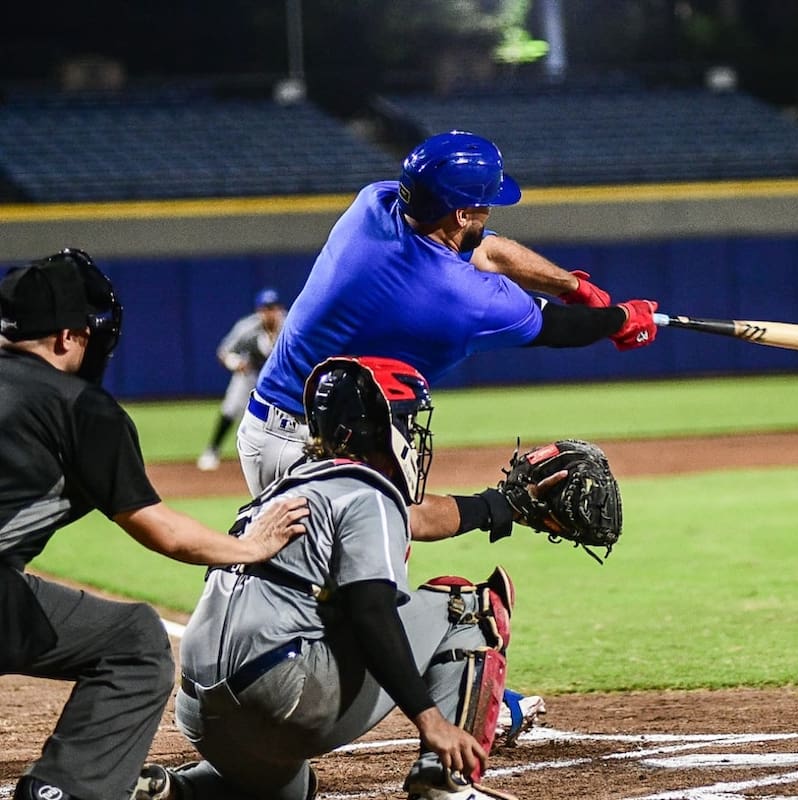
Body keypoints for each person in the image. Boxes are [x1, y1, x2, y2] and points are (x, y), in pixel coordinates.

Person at [136, 356, 552, 800]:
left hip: (200, 710)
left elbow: (400, 538)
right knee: (470, 608)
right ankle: (445, 781)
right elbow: (370, 612)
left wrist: (498, 508)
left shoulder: (282, 492)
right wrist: (429, 719)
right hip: (279, 697)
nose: (413, 434)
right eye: (407, 421)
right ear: (378, 428)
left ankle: (169, 791)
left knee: (290, 790)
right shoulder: (368, 492)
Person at [0, 249, 310, 800]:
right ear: (68, 338)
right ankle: (64, 792)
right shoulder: (78, 408)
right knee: (136, 643)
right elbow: (162, 530)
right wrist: (252, 546)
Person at [238, 130, 659, 498]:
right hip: (308, 448)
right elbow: (558, 327)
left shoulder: (371, 206)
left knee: (347, 577)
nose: (490, 210)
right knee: (351, 584)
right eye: (484, 204)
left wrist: (573, 286)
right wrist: (622, 320)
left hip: (282, 427)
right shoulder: (460, 298)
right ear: (460, 213)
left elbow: (485, 250)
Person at [196, 287, 287, 471]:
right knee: (230, 409)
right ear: (259, 311)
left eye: (273, 307)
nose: (270, 312)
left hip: (277, 378)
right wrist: (235, 363)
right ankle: (212, 450)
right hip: (249, 374)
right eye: (266, 308)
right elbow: (224, 352)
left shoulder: (289, 325)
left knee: (284, 413)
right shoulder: (247, 327)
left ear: (279, 309)